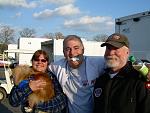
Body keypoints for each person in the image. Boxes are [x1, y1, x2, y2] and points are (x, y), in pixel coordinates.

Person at [93, 33, 150, 113]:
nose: (111, 52)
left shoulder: (138, 79)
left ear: (127, 52)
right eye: (108, 48)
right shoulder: (101, 80)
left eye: (116, 48)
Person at [49, 35, 105, 113]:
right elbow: (40, 68)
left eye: (76, 48)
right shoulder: (57, 66)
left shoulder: (97, 63)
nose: (72, 53)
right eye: (68, 49)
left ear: (83, 50)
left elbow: (117, 66)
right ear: (64, 53)